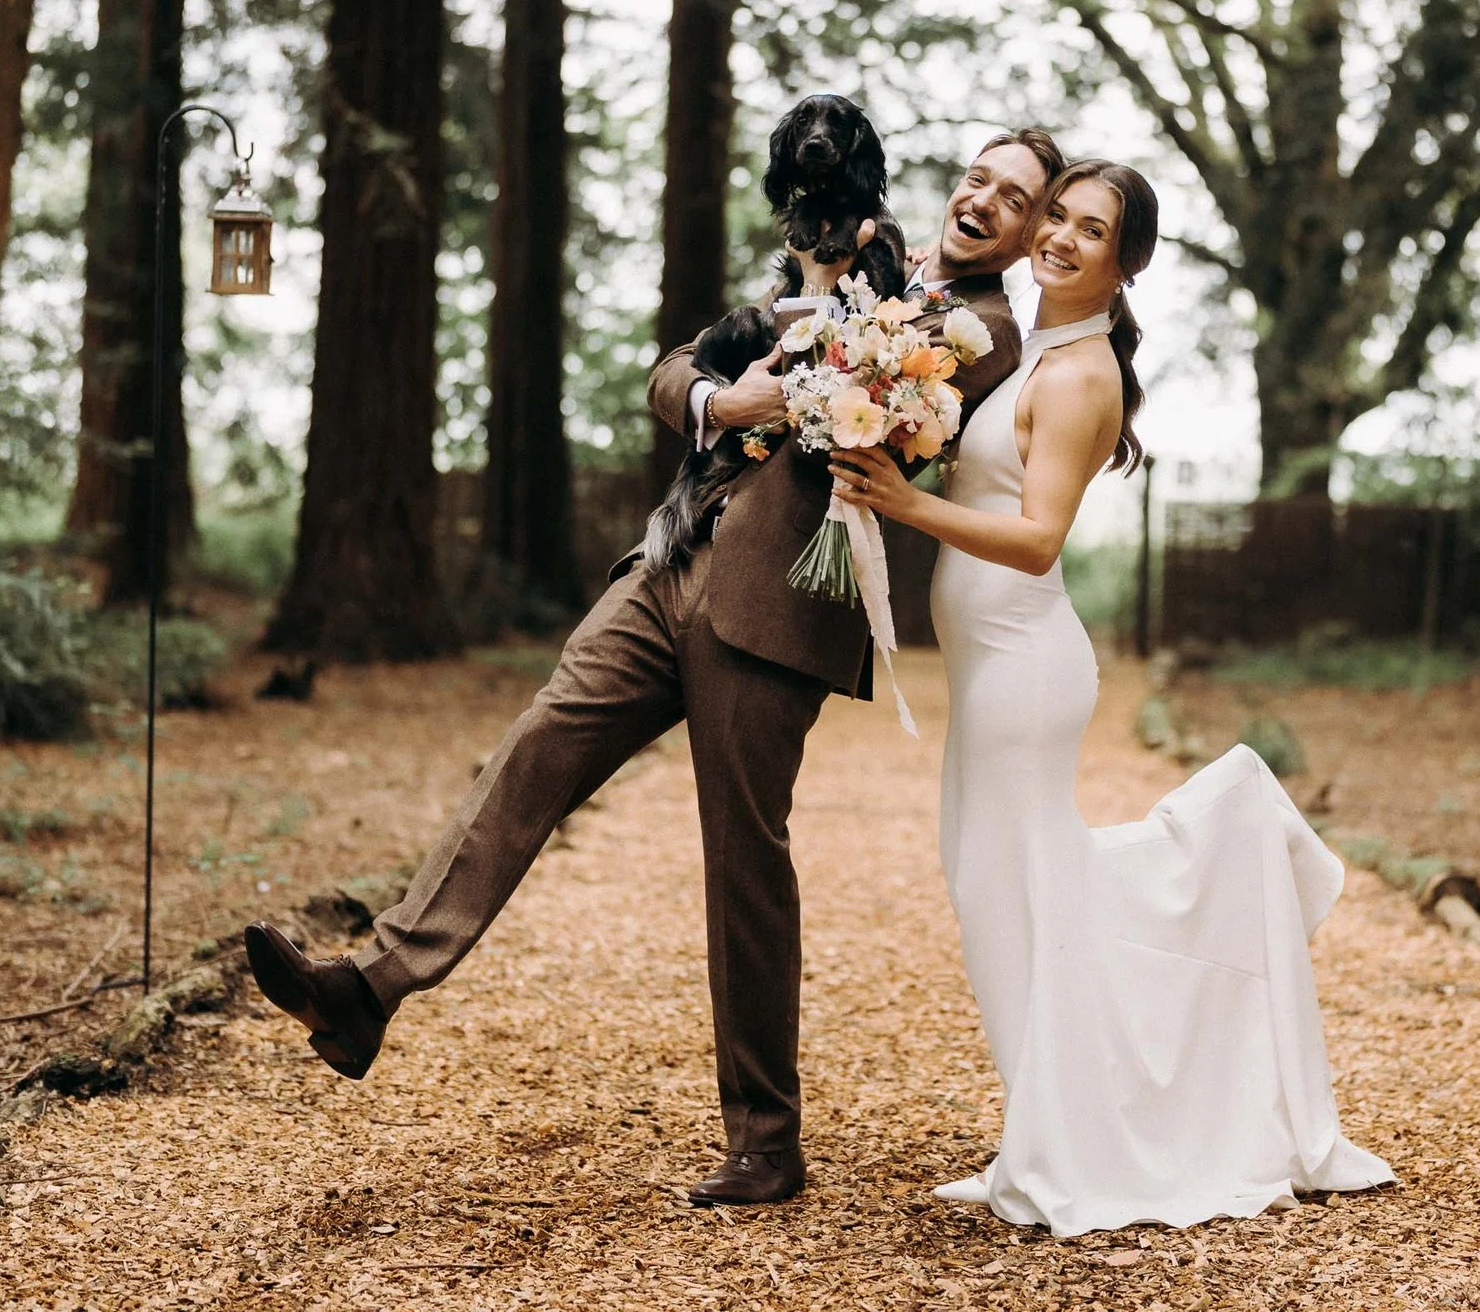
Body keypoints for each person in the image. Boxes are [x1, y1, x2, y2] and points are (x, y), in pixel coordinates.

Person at [241, 129, 1061, 1207]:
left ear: (1032, 229)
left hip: (777, 603)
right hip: (670, 559)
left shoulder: (983, 327)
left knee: (742, 859)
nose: (984, 200)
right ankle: (369, 987)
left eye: (1015, 196)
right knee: (536, 747)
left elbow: (863, 370)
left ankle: (766, 1139)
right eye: (978, 177)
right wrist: (726, 397)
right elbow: (678, 368)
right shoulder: (855, 261)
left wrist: (811, 314)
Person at [831, 159, 1395, 1236]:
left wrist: (906, 502)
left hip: (1023, 665)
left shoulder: (1083, 371)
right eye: (1057, 215)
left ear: (1124, 263)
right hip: (995, 663)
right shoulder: (1039, 347)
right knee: (1000, 886)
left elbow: (1039, 539)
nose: (1060, 236)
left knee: (1012, 887)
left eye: (1093, 229)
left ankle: (1070, 1142)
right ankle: (1044, 1128)